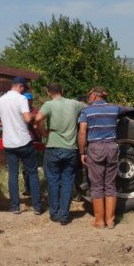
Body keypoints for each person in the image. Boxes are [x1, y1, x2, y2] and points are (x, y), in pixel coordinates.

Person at [34, 83, 86, 225]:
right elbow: (87, 108)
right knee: (68, 181)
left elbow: (38, 119)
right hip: (71, 149)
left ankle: (54, 213)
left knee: (53, 181)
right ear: (62, 91)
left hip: (53, 147)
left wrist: (43, 132)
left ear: (48, 92)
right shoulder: (74, 104)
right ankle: (64, 215)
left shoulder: (49, 105)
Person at [78, 86, 127, 229]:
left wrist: (82, 152)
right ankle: (110, 221)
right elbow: (125, 109)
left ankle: (99, 221)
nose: (89, 98)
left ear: (94, 95)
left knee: (97, 186)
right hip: (112, 148)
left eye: (90, 95)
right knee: (110, 185)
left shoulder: (86, 111)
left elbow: (82, 132)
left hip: (96, 149)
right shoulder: (114, 109)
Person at [0, 76, 42, 215]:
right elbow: (27, 118)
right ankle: (37, 207)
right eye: (23, 88)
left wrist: (8, 122)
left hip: (9, 143)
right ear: (20, 87)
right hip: (24, 142)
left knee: (13, 175)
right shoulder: (21, 99)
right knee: (32, 174)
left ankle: (15, 206)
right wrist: (35, 118)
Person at [21, 91, 41, 197]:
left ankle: (33, 188)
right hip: (23, 141)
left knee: (32, 166)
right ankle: (27, 187)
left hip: (34, 141)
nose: (28, 102)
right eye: (26, 100)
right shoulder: (20, 111)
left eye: (29, 100)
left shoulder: (36, 111)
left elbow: (35, 118)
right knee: (25, 167)